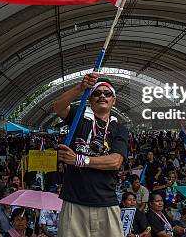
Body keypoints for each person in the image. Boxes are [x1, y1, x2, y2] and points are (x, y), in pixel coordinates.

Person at [54, 74, 129, 237]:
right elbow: (58, 107)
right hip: (74, 203)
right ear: (89, 99)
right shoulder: (79, 116)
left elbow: (115, 162)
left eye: (107, 93)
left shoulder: (119, 129)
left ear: (113, 100)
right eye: (96, 93)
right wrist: (80, 88)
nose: (102, 95)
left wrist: (78, 160)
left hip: (107, 203)